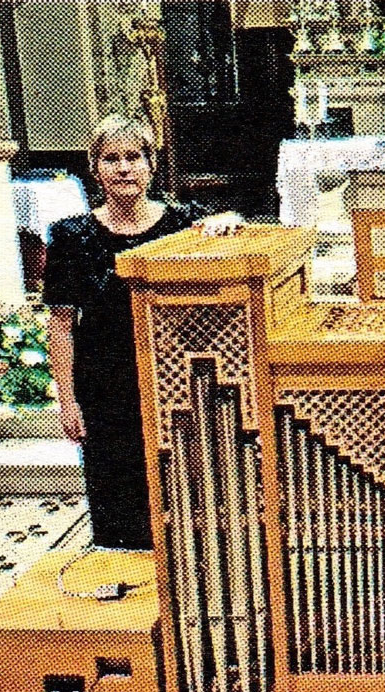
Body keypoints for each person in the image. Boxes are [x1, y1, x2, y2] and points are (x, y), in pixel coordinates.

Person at [43, 114, 238, 550]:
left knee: (186, 497)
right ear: (95, 169)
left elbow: (232, 224)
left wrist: (226, 221)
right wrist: (68, 399)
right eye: (111, 159)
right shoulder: (71, 236)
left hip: (177, 382)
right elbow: (60, 323)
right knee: (117, 501)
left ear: (151, 164)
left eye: (134, 157)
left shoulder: (184, 223)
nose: (124, 168)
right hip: (106, 387)